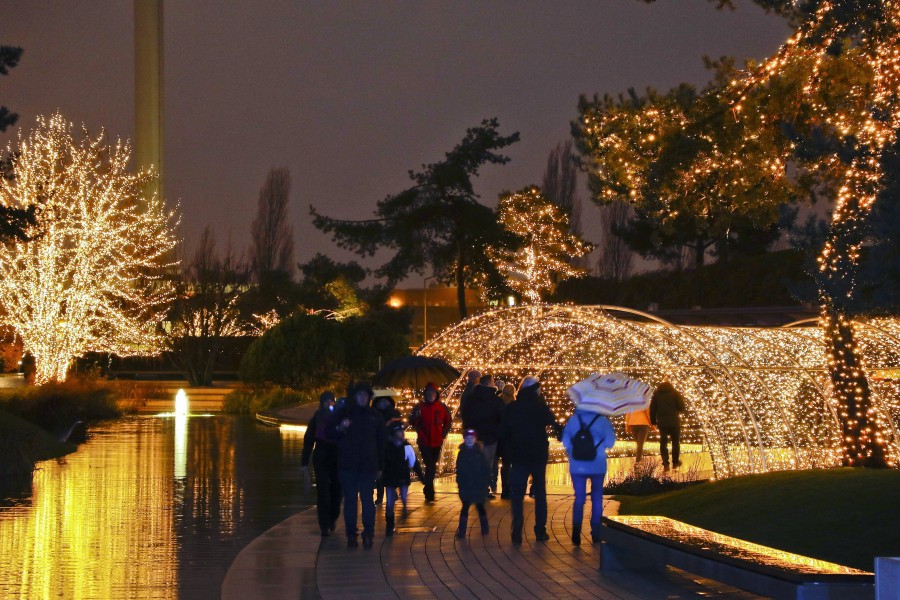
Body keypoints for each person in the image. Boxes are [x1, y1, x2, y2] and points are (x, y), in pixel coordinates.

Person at [498, 376, 560, 545]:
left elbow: (503, 431)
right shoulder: (540, 407)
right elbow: (553, 423)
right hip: (538, 456)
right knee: (540, 493)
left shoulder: (513, 408)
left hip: (518, 456)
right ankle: (540, 529)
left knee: (517, 494)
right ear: (536, 390)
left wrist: (509, 448)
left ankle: (517, 526)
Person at [335, 382, 385, 549]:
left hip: (367, 465)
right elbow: (332, 436)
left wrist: (380, 466)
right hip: (348, 464)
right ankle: (351, 534)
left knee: (366, 500)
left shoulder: (374, 416)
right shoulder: (345, 414)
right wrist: (341, 428)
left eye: (365, 395)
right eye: (360, 395)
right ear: (355, 397)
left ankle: (368, 533)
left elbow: (381, 442)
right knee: (351, 501)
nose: (363, 398)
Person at [561, 398, 616, 545]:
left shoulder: (573, 420)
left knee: (579, 498)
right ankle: (596, 532)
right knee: (597, 499)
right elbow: (610, 443)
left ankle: (576, 531)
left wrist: (574, 450)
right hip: (597, 464)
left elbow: (565, 441)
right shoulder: (603, 421)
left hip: (578, 465)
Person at [301, 391, 342, 536]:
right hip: (322, 457)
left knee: (336, 491)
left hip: (336, 457)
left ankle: (332, 518)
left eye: (331, 401)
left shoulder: (338, 417)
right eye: (327, 401)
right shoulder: (317, 418)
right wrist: (304, 463)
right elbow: (308, 441)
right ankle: (324, 524)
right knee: (323, 492)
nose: (329, 404)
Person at [459, 374, 505, 497]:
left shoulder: (471, 398)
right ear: (489, 384)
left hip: (475, 438)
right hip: (490, 438)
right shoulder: (496, 400)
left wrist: (468, 431)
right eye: (493, 381)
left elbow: (465, 414)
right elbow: (503, 418)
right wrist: (497, 433)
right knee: (487, 465)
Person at [409, 382, 452, 502]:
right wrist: (415, 417)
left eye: (432, 393)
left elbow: (448, 421)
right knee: (430, 465)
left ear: (436, 394)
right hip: (424, 441)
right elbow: (412, 421)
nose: (430, 395)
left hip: (437, 441)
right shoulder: (419, 407)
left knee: (431, 466)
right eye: (428, 393)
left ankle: (427, 487)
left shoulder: (442, 407)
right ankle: (429, 490)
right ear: (425, 394)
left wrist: (443, 434)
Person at [381, 423, 421, 536]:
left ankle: (403, 511)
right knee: (389, 504)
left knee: (403, 498)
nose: (402, 434)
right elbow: (382, 461)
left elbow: (414, 463)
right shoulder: (387, 447)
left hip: (402, 476)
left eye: (403, 432)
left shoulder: (407, 447)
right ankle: (390, 524)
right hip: (390, 477)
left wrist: (422, 478)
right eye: (399, 432)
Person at [454, 429, 491, 538]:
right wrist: (460, 482)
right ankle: (462, 531)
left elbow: (486, 469)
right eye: (467, 439)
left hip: (478, 486)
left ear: (475, 440)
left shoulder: (480, 453)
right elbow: (459, 469)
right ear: (464, 440)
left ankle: (485, 528)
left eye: (471, 438)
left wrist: (487, 482)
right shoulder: (462, 453)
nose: (469, 440)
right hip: (466, 486)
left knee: (480, 507)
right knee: (465, 507)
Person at [649, 381, 686, 471]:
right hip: (674, 422)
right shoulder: (675, 393)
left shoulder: (656, 395)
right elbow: (681, 407)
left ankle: (665, 463)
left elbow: (652, 409)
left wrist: (653, 421)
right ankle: (675, 462)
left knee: (663, 443)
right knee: (675, 443)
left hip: (662, 422)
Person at [373, 393, 403, 505]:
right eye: (381, 401)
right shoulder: (374, 414)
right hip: (378, 446)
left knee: (388, 470)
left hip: (390, 446)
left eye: (385, 401)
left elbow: (398, 428)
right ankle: (380, 496)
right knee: (380, 472)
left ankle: (391, 491)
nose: (383, 403)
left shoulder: (394, 414)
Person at [494, 383, 516, 498]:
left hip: (500, 438)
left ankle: (504, 489)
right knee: (511, 464)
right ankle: (510, 488)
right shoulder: (514, 404)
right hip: (511, 438)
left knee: (504, 465)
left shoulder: (498, 401)